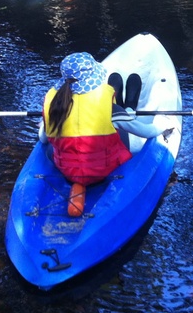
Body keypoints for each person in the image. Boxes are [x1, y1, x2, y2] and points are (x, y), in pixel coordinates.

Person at [39, 52, 136, 216]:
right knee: (120, 127)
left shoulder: (52, 100)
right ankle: (130, 108)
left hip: (67, 170)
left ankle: (78, 182)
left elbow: (42, 138)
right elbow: (141, 130)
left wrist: (44, 125)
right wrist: (161, 128)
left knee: (49, 148)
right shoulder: (104, 99)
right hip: (103, 169)